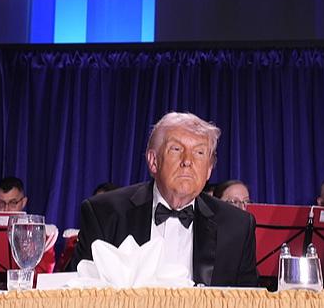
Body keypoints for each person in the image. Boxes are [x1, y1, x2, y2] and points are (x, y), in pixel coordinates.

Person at [70, 112, 258, 286]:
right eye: (176, 149)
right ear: (153, 161)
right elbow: (78, 291)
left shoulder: (237, 227)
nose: (188, 161)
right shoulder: (104, 214)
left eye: (199, 152)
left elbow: (250, 300)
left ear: (209, 169)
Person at [0, 177, 57, 273]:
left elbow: (44, 274)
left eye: (13, 203)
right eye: (1, 203)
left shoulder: (43, 234)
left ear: (23, 202)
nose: (6, 209)